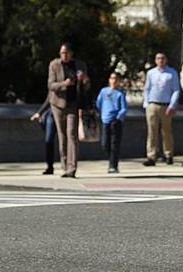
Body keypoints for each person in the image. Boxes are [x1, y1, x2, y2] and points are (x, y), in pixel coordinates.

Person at [47, 42, 89, 179]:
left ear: (71, 53)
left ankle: (72, 168)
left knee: (72, 134)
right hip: (57, 103)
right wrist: (64, 84)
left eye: (66, 53)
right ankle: (64, 165)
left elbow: (87, 86)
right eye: (62, 53)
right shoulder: (54, 65)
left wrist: (84, 79)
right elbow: (50, 85)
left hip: (73, 103)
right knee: (62, 135)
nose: (64, 56)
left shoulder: (80, 65)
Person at [142, 52, 179, 166]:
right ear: (155, 60)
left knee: (166, 131)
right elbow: (147, 88)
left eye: (162, 58)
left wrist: (172, 105)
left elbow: (176, 90)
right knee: (152, 132)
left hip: (166, 105)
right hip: (153, 104)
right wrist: (146, 103)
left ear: (166, 60)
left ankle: (168, 154)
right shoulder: (151, 73)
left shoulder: (171, 73)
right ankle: (151, 156)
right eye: (158, 58)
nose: (160, 60)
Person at [96, 72, 128, 173]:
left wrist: (118, 117)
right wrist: (102, 114)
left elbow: (124, 108)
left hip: (116, 121)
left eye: (116, 79)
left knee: (115, 144)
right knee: (105, 144)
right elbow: (99, 104)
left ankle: (113, 165)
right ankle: (110, 159)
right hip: (105, 120)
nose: (114, 81)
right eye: (112, 78)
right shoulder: (103, 91)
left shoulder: (120, 93)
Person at [29, 92, 57, 175]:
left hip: (65, 112)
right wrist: (39, 112)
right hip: (52, 113)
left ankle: (67, 165)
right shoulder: (53, 83)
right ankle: (50, 166)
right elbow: (49, 99)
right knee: (49, 139)